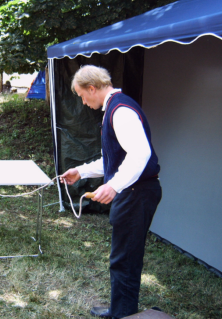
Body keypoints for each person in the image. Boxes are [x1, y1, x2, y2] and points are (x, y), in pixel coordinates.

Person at [60, 65, 162, 319]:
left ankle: (122, 315)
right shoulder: (113, 108)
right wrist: (81, 172)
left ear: (92, 88)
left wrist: (113, 186)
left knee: (125, 260)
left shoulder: (121, 110)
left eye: (82, 96)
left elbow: (141, 154)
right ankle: (120, 310)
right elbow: (112, 160)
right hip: (134, 191)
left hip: (137, 192)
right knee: (122, 257)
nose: (83, 102)